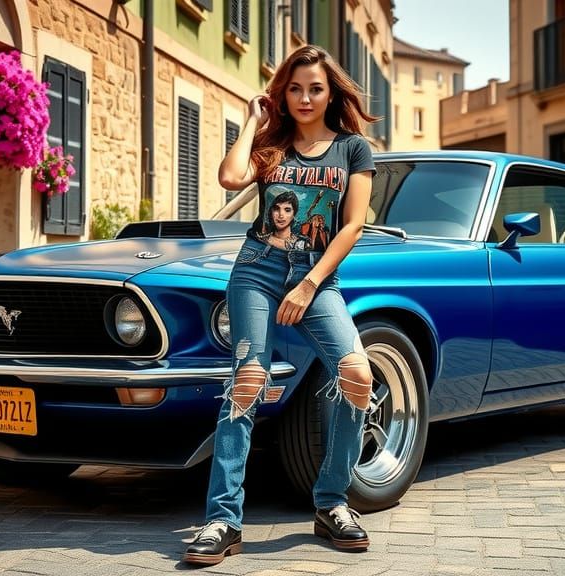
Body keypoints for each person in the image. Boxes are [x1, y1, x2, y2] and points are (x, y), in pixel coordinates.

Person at [183, 44, 378, 566]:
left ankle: (332, 502)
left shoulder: (354, 149)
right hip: (255, 271)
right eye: (294, 88)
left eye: (315, 87)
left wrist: (310, 284)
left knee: (357, 376)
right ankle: (223, 519)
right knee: (248, 380)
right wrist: (252, 120)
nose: (306, 97)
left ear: (331, 90)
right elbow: (229, 178)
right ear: (282, 93)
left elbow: (353, 224)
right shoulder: (273, 143)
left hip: (317, 278)